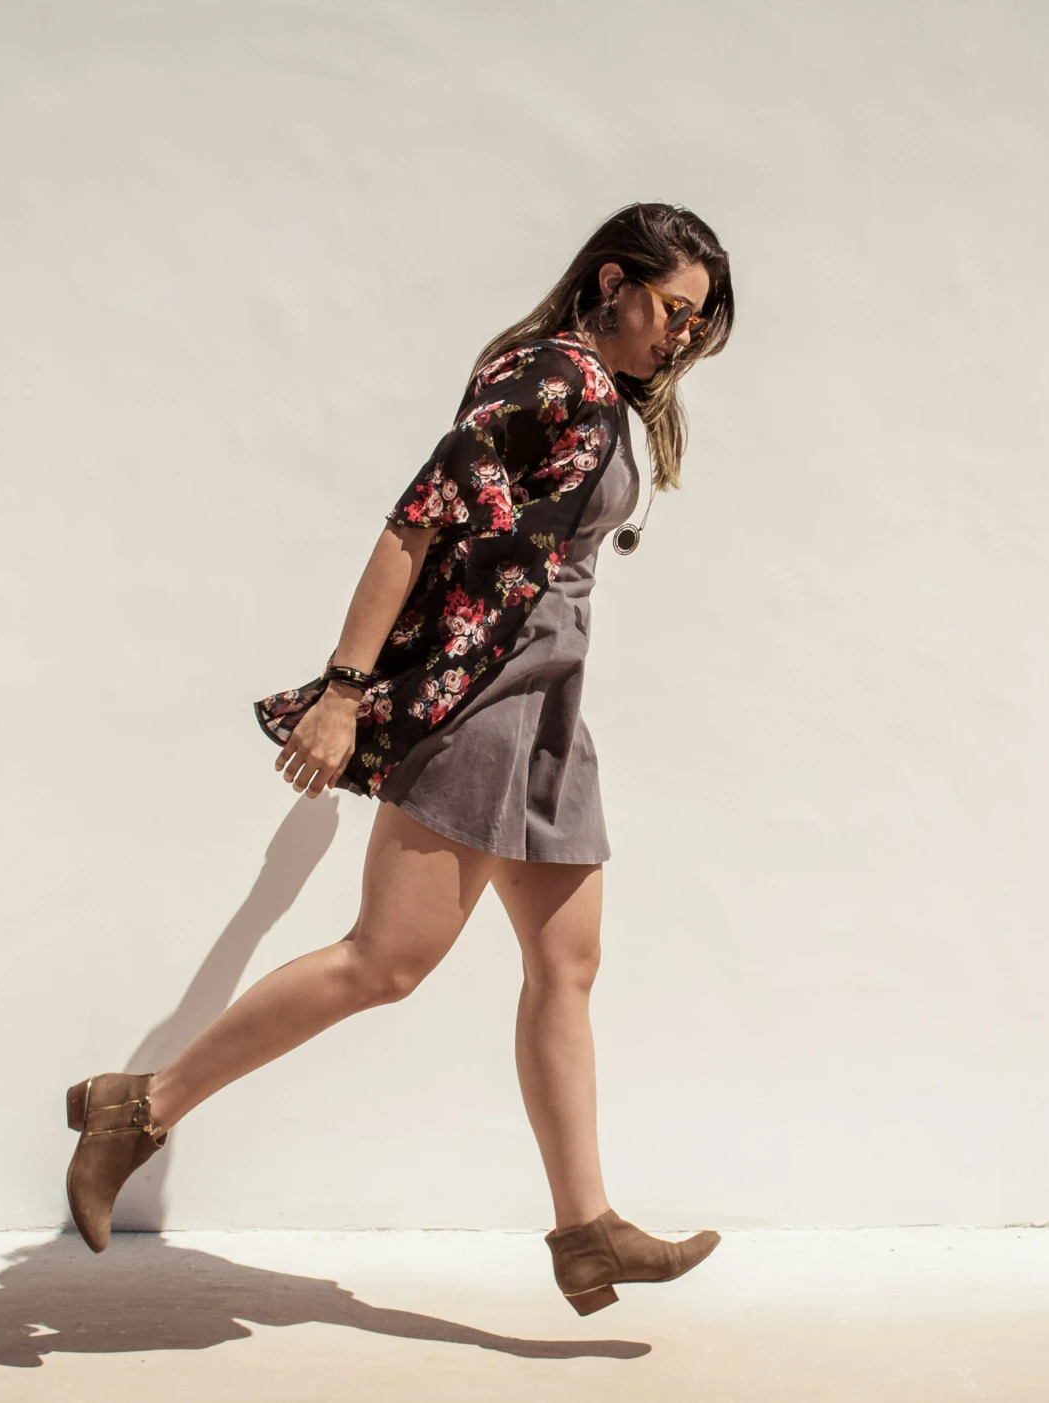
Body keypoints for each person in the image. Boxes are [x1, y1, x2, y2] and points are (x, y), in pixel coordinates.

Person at [62, 203, 736, 1316]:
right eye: (673, 311)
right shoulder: (550, 374)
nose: (680, 339)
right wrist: (341, 690)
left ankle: (586, 1228)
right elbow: (414, 524)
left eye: (697, 327)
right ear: (613, 280)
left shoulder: (602, 394)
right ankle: (142, 1105)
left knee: (567, 965)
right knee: (388, 958)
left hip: (549, 705)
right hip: (480, 700)